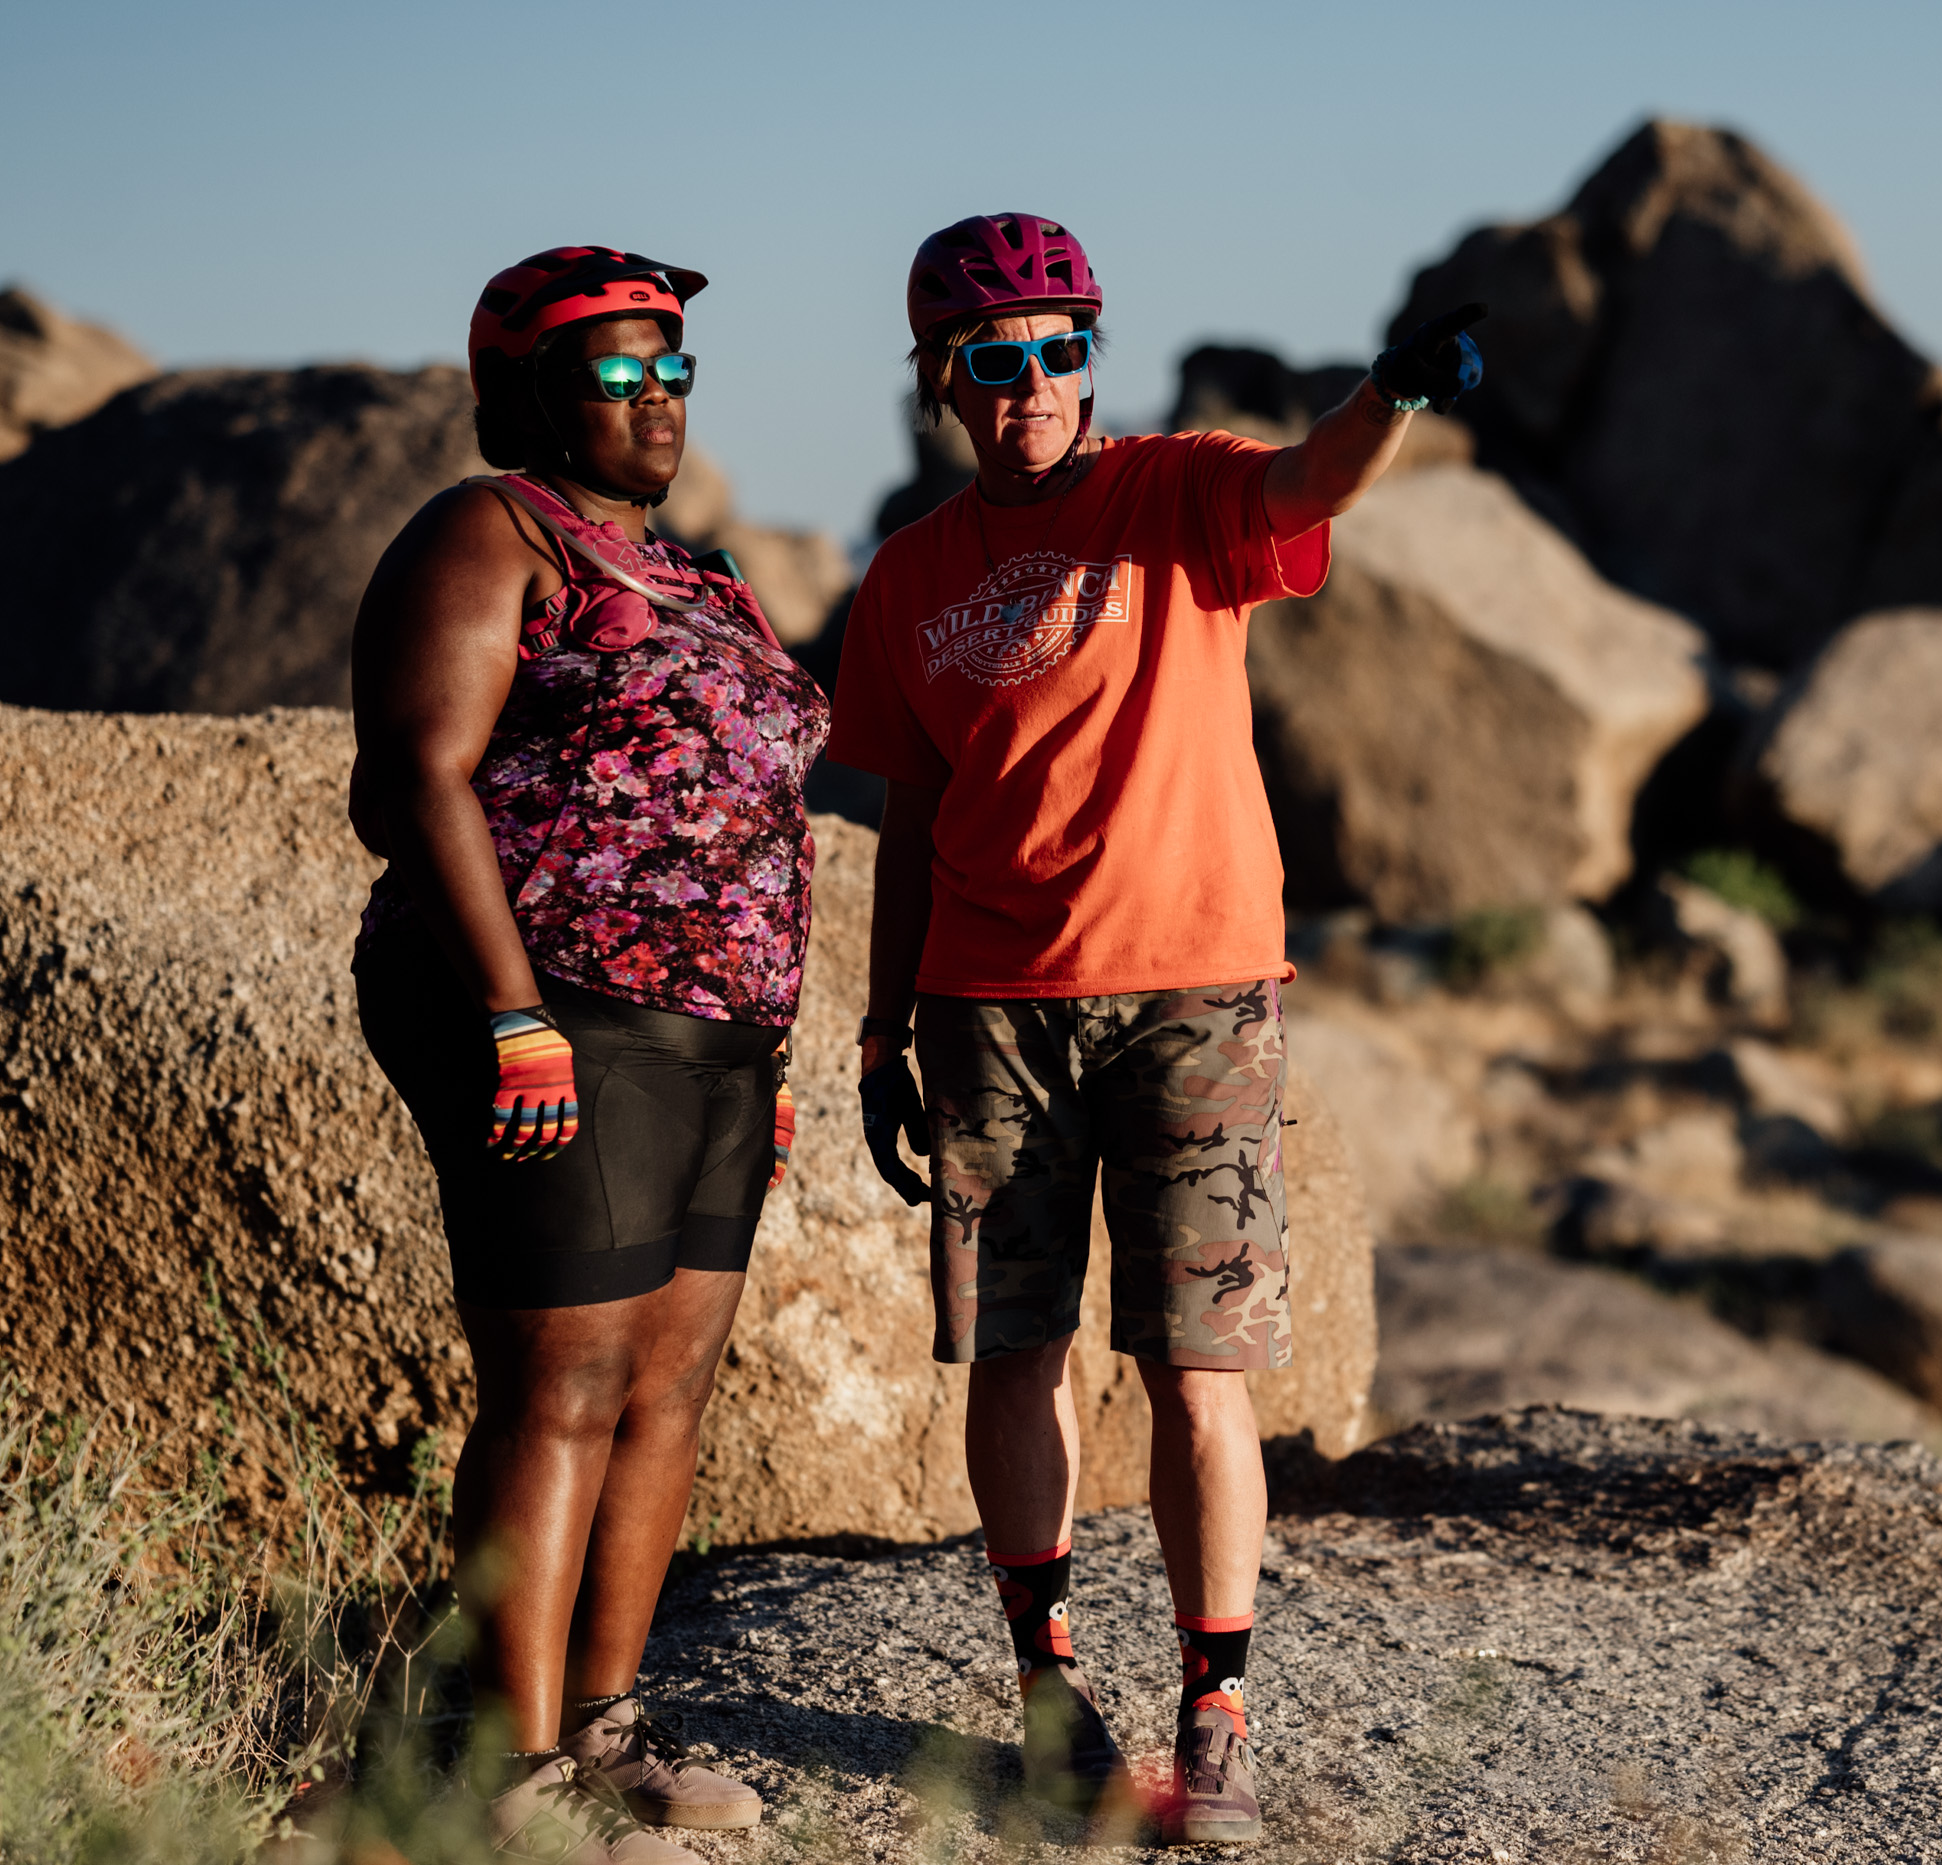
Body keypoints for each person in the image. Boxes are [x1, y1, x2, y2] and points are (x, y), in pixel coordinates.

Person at [826, 210, 1482, 1846]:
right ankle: (1050, 1688)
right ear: (938, 381)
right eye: (996, 356)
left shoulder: (1175, 491)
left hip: (1197, 993)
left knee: (1201, 1369)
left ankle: (1217, 1709)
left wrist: (1390, 398)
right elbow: (908, 818)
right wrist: (876, 1029)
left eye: (1063, 347)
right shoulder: (905, 580)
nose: (1035, 381)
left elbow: (1308, 484)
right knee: (1018, 1349)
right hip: (989, 1011)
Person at [347, 246, 830, 1863]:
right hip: (554, 1008)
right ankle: (505, 1764)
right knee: (559, 1382)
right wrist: (510, 1013)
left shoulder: (697, 574)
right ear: (535, 391)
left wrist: (764, 1039)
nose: (658, 399)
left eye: (673, 369)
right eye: (619, 373)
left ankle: (603, 1727)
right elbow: (415, 778)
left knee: (669, 1384)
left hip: (714, 1032)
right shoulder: (487, 535)